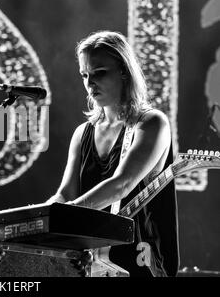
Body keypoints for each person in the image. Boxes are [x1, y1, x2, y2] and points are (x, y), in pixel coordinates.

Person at [47, 30, 179, 277]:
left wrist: (69, 213)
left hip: (139, 263)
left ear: (124, 72)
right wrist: (41, 217)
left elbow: (122, 184)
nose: (89, 82)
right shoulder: (82, 133)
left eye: (99, 73)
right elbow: (65, 193)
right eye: (84, 75)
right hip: (91, 265)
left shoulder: (151, 123)